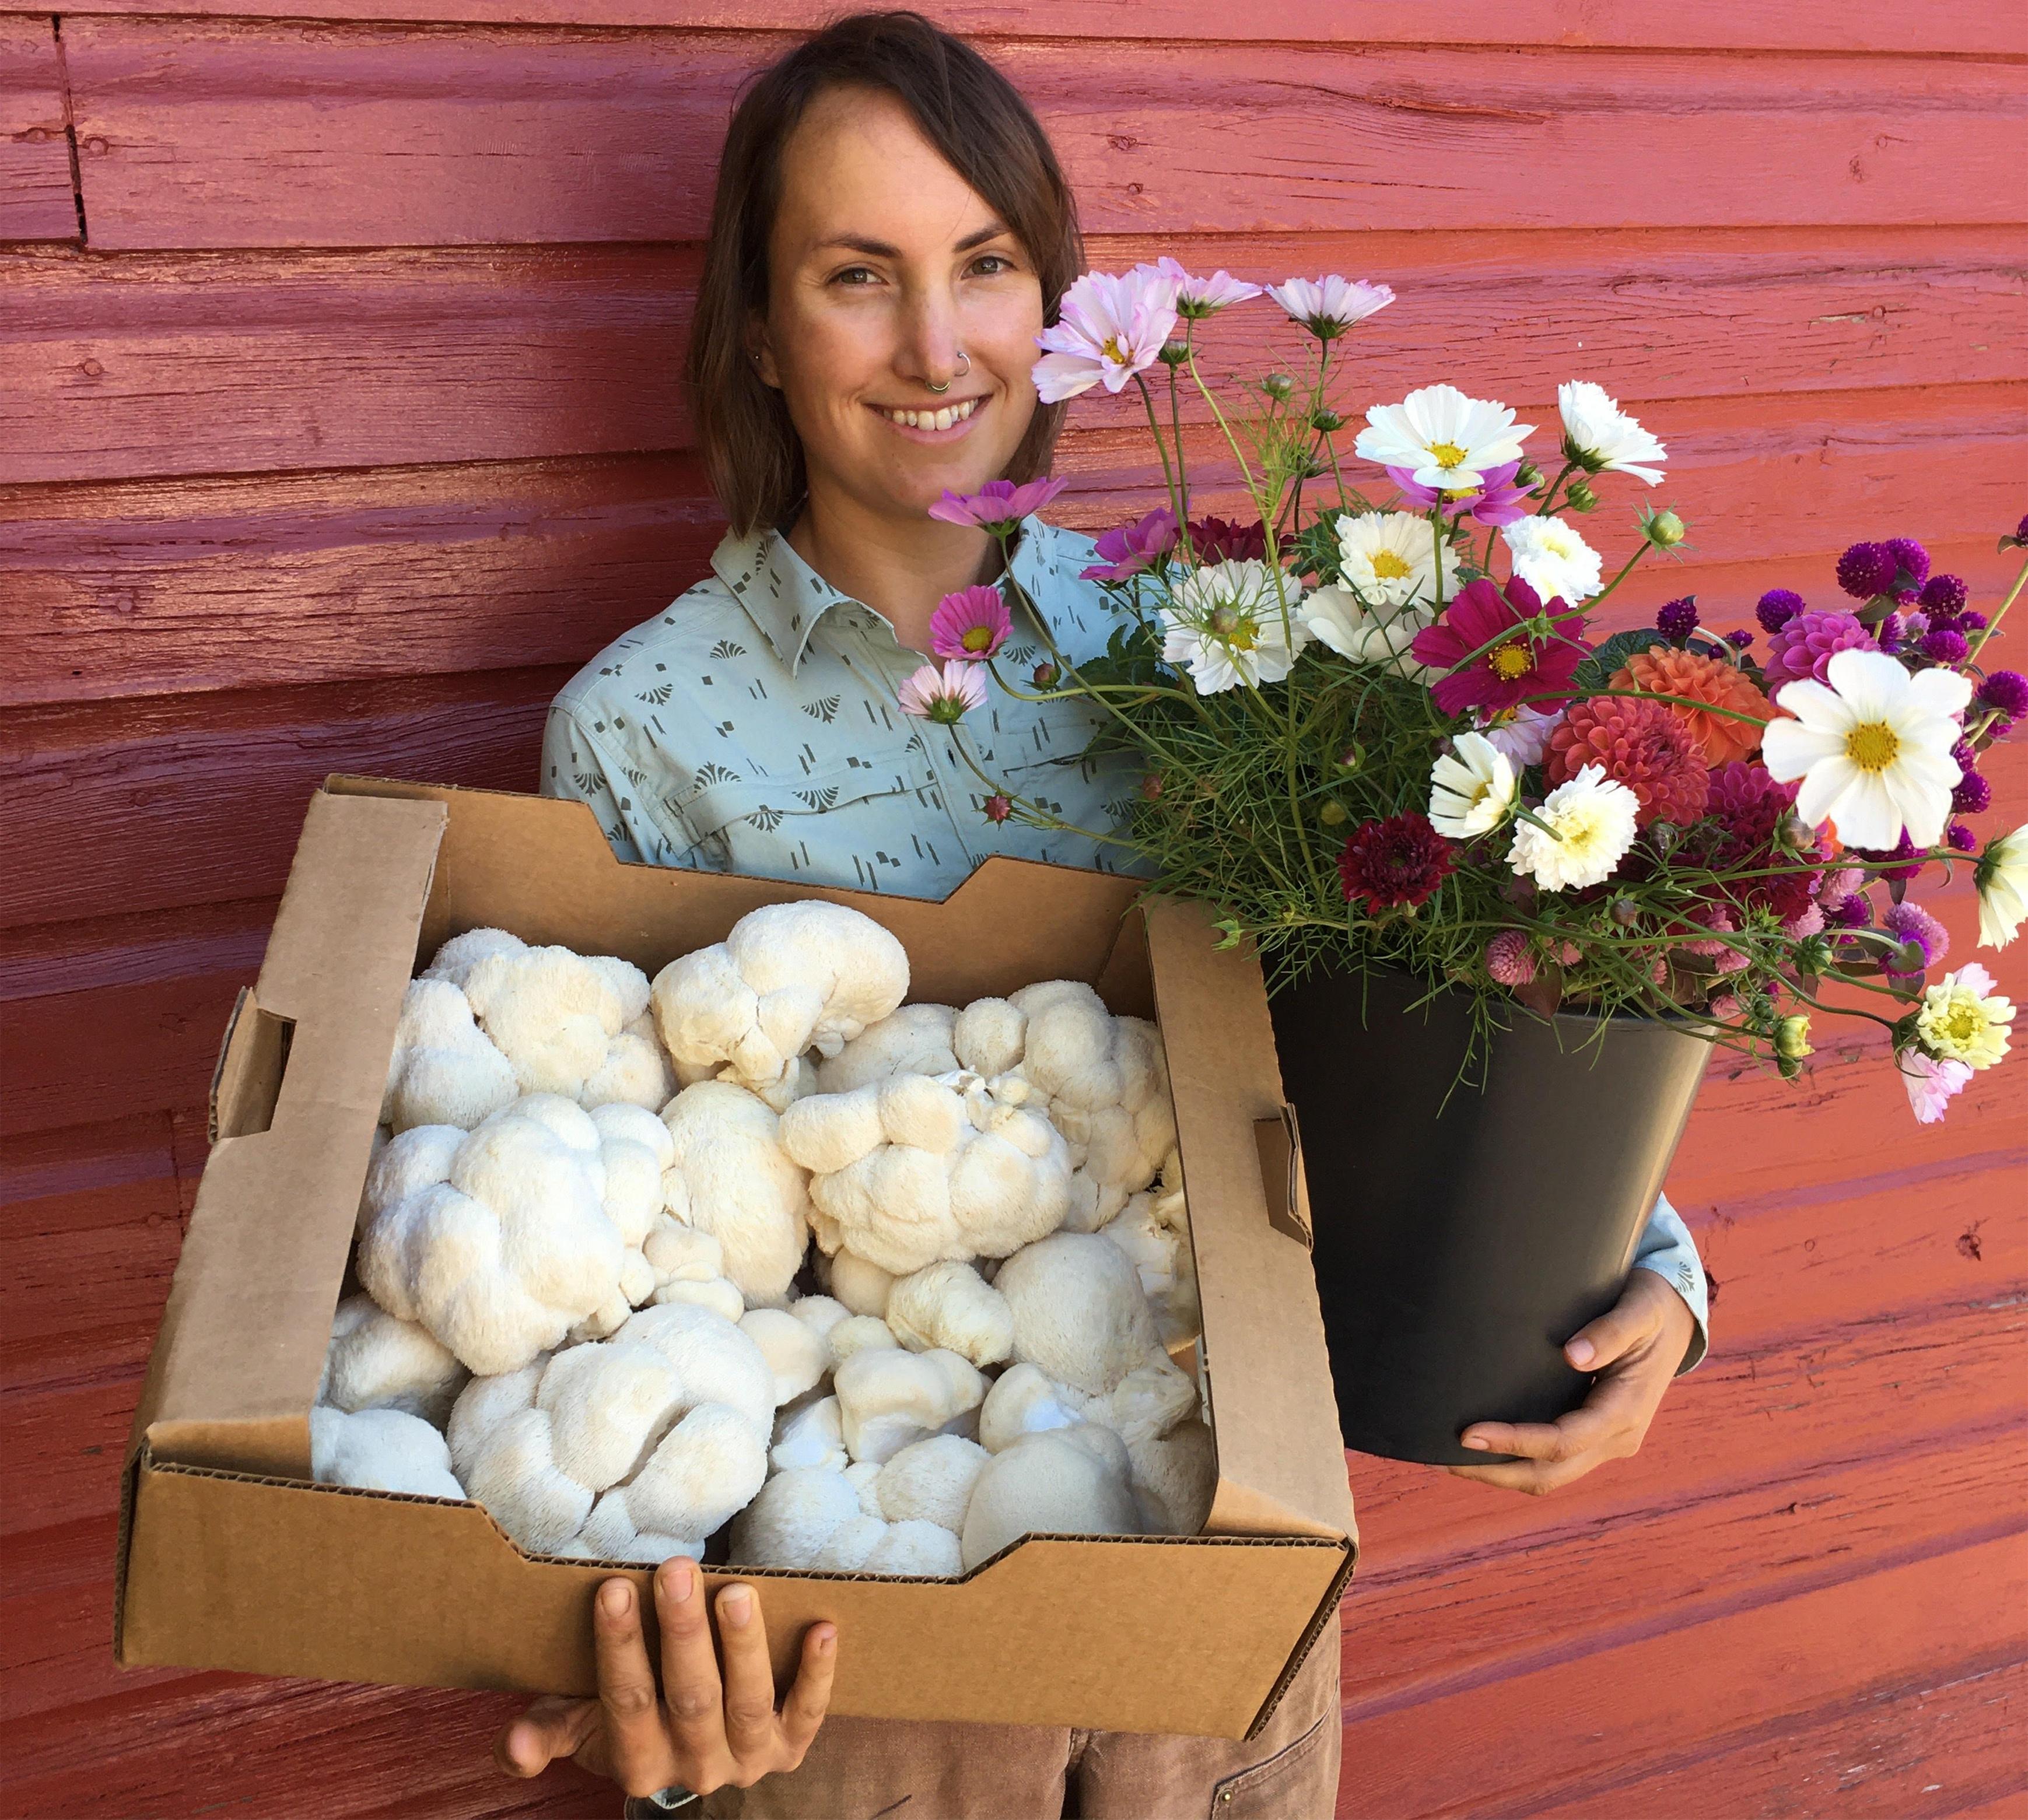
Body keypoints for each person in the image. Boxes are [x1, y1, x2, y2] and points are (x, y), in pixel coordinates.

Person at [496, 15, 1710, 1815]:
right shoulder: (640, 731)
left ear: (1054, 300)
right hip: (865, 1641)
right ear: (755, 332)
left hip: (1219, 1588)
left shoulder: (1217, 652)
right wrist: (643, 1679)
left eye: (985, 264)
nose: (937, 344)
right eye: (857, 276)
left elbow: (1400, 1013)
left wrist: (1649, 1285)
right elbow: (591, 1241)